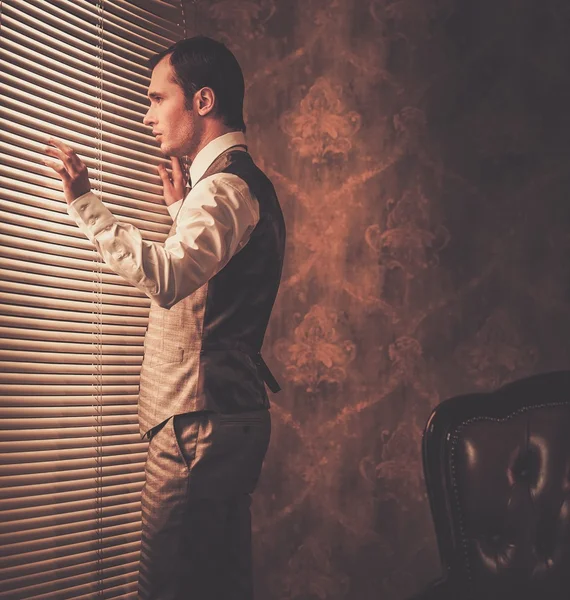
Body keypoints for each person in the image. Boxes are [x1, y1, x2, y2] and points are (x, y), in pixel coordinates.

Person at [43, 36, 286, 600]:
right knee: (216, 583)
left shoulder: (224, 188)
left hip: (196, 428)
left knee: (170, 586)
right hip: (224, 421)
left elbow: (168, 278)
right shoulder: (237, 184)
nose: (147, 114)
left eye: (157, 98)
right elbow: (220, 281)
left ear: (203, 101)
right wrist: (182, 212)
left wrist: (84, 201)